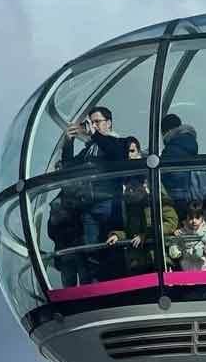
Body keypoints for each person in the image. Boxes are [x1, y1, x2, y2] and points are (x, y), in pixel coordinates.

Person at [60, 105, 130, 282]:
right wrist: (68, 142)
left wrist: (95, 135)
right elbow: (69, 166)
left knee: (111, 247)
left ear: (109, 123)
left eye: (98, 122)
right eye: (91, 122)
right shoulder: (89, 149)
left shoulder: (119, 143)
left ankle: (113, 282)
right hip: (89, 206)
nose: (94, 126)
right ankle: (96, 283)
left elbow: (116, 154)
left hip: (109, 204)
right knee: (91, 250)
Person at [105, 177, 178, 276]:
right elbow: (130, 233)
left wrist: (146, 235)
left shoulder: (159, 200)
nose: (132, 191)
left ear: (144, 186)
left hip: (159, 259)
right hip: (139, 264)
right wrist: (117, 236)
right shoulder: (130, 208)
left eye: (135, 187)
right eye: (129, 189)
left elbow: (171, 223)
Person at [159, 113, 206, 220]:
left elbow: (166, 180)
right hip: (197, 200)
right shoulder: (190, 145)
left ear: (165, 131)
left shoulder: (171, 150)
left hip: (179, 201)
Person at [168, 201, 206, 272]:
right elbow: (174, 246)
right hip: (188, 268)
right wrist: (176, 250)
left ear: (203, 218)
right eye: (191, 218)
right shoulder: (181, 232)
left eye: (197, 217)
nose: (194, 221)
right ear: (186, 217)